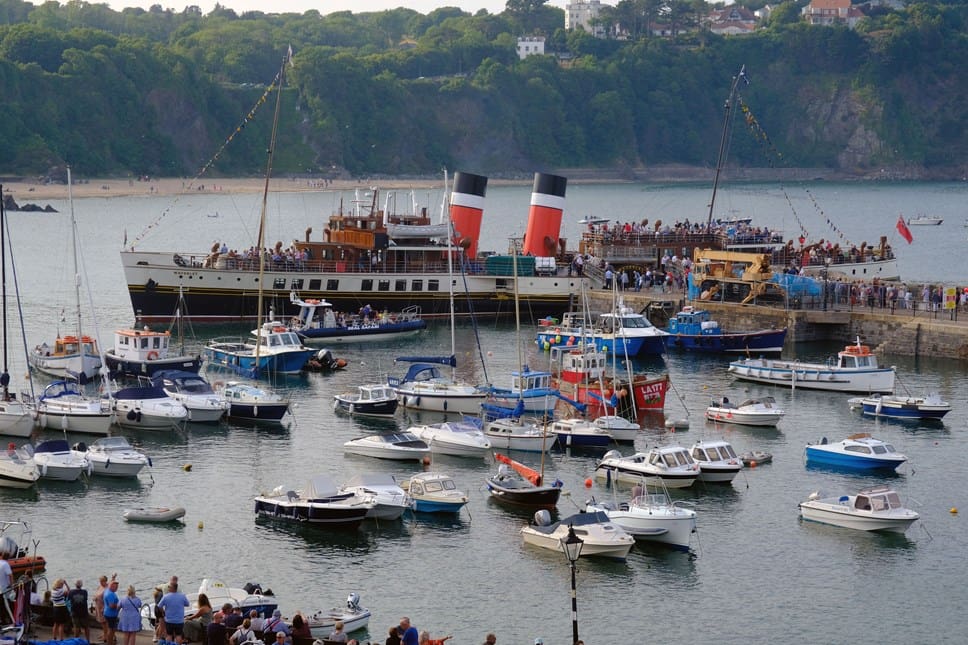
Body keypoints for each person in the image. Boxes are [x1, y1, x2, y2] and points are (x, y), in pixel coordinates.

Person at [157, 580, 190, 645]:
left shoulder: (166, 596)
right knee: (178, 635)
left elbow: (159, 606)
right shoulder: (182, 596)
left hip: (169, 620)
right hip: (179, 620)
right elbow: (187, 604)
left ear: (172, 588)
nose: (168, 588)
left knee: (169, 635)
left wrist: (163, 612)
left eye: (169, 587)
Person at [103, 578, 121, 645]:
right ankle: (109, 643)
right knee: (111, 630)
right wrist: (119, 605)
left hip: (107, 613)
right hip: (111, 614)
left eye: (117, 587)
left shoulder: (107, 591)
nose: (117, 588)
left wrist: (113, 578)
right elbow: (111, 606)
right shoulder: (111, 594)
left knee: (110, 629)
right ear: (111, 586)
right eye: (115, 587)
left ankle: (110, 641)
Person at [94, 575, 110, 642]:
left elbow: (108, 599)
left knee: (105, 622)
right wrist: (94, 598)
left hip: (103, 607)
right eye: (100, 581)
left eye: (102, 581)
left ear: (105, 581)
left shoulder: (107, 588)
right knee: (101, 622)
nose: (100, 582)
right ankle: (104, 634)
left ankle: (106, 636)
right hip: (98, 606)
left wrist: (104, 607)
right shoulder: (99, 587)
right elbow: (96, 594)